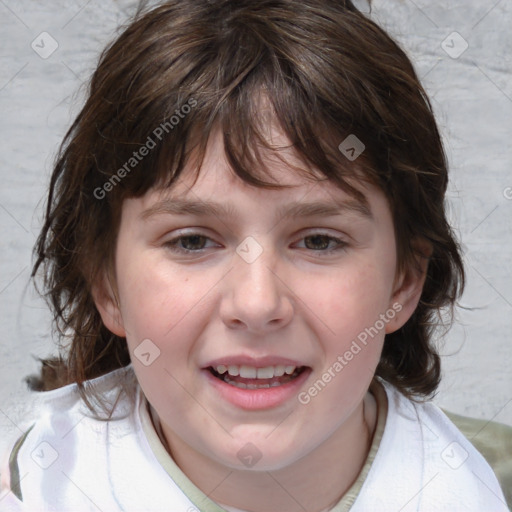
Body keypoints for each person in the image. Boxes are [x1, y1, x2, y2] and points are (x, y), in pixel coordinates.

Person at [0, 0, 510, 510]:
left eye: (318, 241)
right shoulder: (43, 484)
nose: (257, 302)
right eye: (192, 241)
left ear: (403, 282)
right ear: (107, 284)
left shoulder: (482, 485)